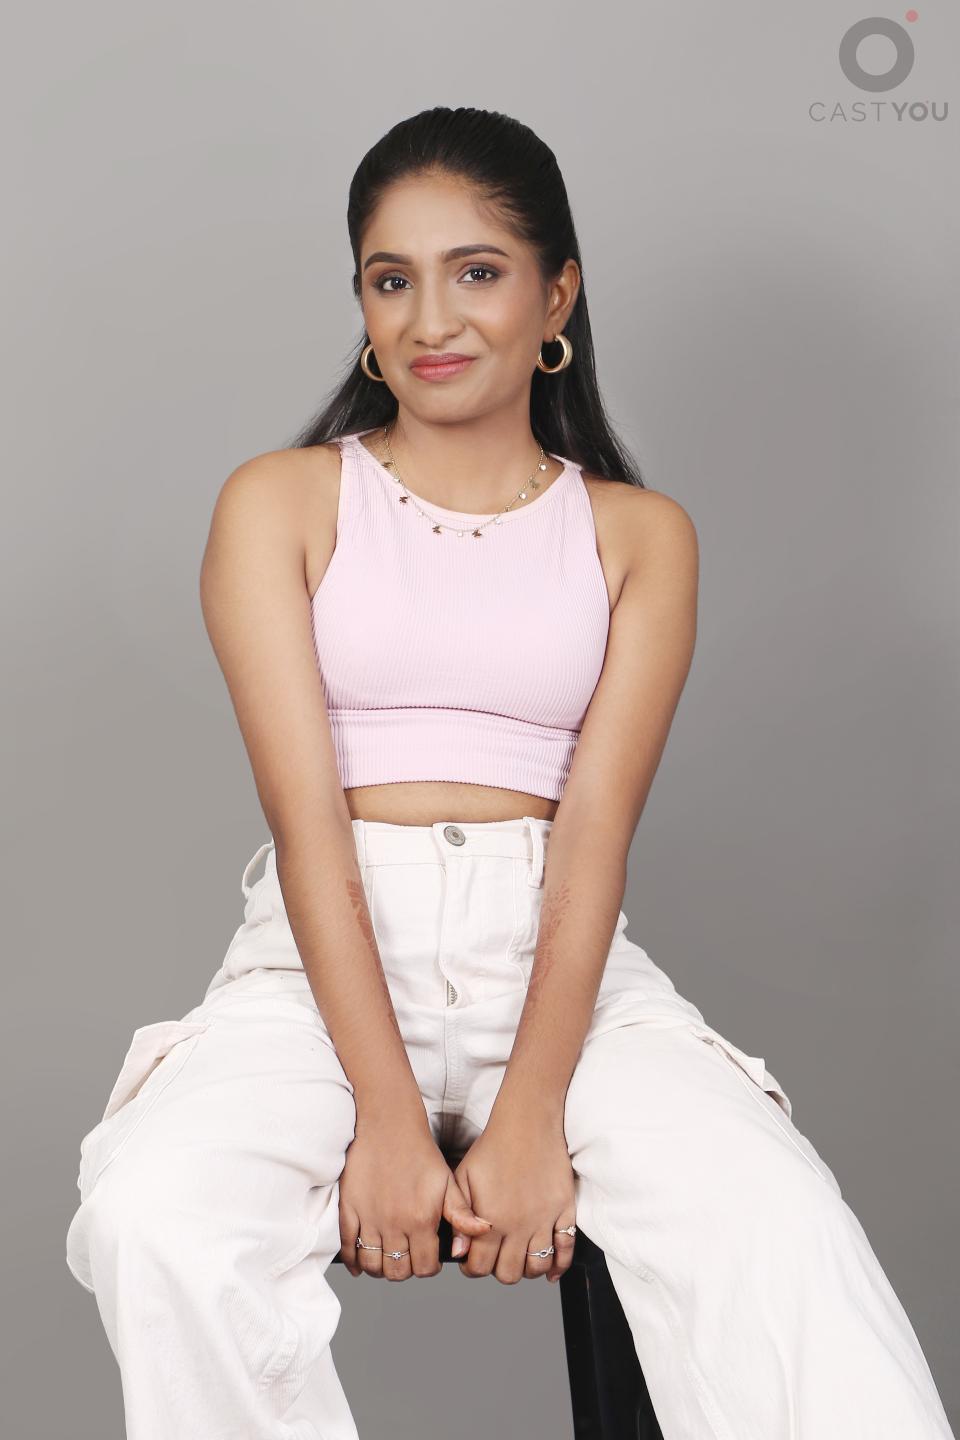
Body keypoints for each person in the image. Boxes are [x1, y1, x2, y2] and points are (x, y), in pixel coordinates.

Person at [65, 105, 954, 1440]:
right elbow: (308, 828)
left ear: (558, 296)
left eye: (476, 271)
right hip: (317, 978)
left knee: (780, 1228)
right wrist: (383, 1114)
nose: (432, 318)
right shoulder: (282, 502)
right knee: (156, 1218)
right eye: (391, 279)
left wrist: (532, 1112)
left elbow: (594, 835)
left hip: (564, 982)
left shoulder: (638, 535)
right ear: (364, 307)